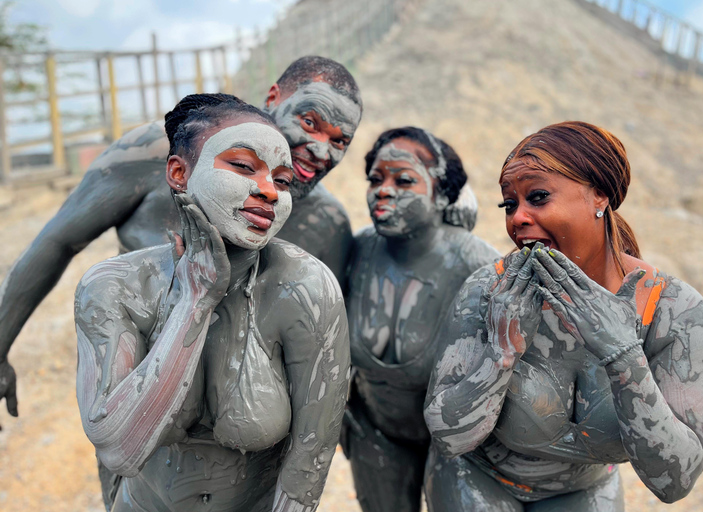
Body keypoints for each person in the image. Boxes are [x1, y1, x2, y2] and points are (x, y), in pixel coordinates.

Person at [0, 56, 362, 429]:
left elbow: (324, 349)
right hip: (134, 411)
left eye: (339, 141)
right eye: (309, 122)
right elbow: (59, 240)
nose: (321, 149)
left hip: (246, 438)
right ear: (274, 97)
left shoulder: (326, 224)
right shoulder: (156, 153)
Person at [75, 95, 349, 512]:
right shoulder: (115, 287)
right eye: (243, 166)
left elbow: (311, 457)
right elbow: (117, 447)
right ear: (179, 172)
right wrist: (195, 300)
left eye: (283, 179)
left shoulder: (305, 289)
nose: (269, 192)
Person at [423, 121, 703, 511]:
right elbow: (449, 437)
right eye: (510, 205)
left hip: (587, 491)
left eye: (538, 197)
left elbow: (676, 481)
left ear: (600, 196)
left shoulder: (676, 312)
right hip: (477, 479)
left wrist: (623, 355)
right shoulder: (488, 291)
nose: (517, 219)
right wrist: (500, 354)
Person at [342, 127, 499, 512]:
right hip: (376, 436)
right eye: (376, 179)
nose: (384, 189)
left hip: (456, 446)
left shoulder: (477, 266)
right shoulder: (357, 251)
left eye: (404, 180)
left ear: (442, 195)